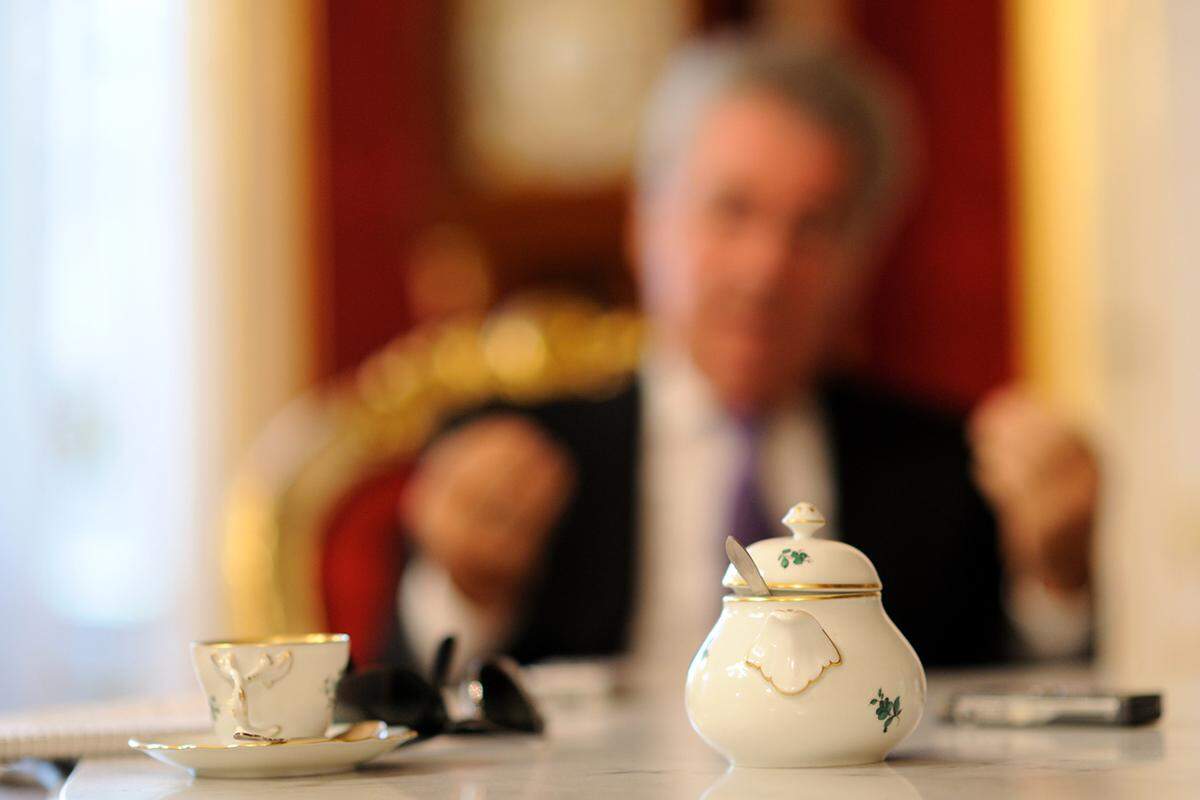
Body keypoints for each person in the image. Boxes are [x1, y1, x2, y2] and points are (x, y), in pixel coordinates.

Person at [393, 37, 1098, 678]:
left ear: (866, 257)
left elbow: (1030, 721)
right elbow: (390, 705)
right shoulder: (516, 460)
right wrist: (465, 591)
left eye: (814, 227)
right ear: (646, 224)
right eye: (731, 210)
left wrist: (1054, 581)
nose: (766, 268)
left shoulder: (947, 471)